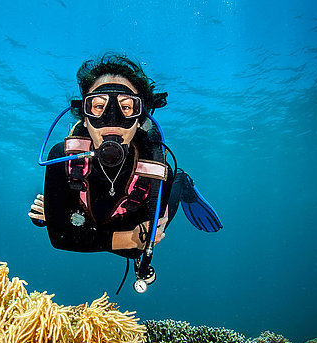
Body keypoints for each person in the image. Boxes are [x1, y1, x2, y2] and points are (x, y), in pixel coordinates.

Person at [29, 54, 222, 294]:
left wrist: (65, 221)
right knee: (126, 242)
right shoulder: (63, 157)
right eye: (99, 106)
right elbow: (58, 239)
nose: (112, 120)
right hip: (105, 223)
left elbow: (69, 236)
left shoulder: (156, 168)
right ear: (85, 116)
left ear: (140, 118)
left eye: (127, 107)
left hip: (133, 217)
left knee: (136, 250)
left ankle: (182, 184)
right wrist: (64, 218)